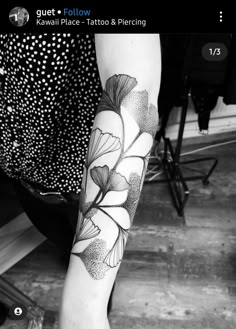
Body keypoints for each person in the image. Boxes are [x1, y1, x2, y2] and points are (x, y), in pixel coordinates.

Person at [0, 33, 161, 328]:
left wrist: (83, 308)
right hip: (23, 172)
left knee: (91, 270)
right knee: (59, 237)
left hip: (83, 186)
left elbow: (134, 96)